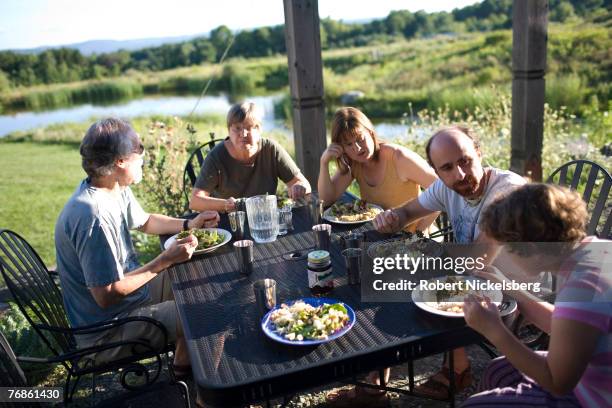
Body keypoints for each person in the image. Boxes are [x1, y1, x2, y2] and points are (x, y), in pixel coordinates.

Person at [55, 118, 220, 378]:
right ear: (120, 161)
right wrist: (164, 260)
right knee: (207, 312)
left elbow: (145, 221)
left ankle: (182, 368)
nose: (144, 156)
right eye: (139, 150)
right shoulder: (92, 216)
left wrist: (191, 223)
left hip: (130, 301)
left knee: (198, 274)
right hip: (107, 333)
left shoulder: (112, 187)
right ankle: (210, 399)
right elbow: (106, 295)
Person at [372, 125, 526, 399]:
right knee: (388, 280)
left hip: (517, 293)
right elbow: (408, 211)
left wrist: (423, 258)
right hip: (478, 280)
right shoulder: (447, 188)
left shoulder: (508, 191)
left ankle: (452, 369)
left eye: (465, 161)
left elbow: (478, 258)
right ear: (438, 172)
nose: (460, 174)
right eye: (447, 168)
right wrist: (390, 218)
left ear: (479, 153)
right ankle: (381, 374)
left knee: (405, 288)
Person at [462, 183, 611, 408]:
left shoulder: (582, 288)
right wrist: (508, 286)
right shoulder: (596, 251)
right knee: (497, 371)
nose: (506, 256)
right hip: (592, 374)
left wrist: (494, 330)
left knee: (474, 406)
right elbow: (571, 328)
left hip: (593, 398)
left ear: (531, 248)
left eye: (507, 248)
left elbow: (557, 382)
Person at [318, 107, 438, 233]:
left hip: (414, 239)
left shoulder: (399, 158)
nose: (357, 148)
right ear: (342, 147)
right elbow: (326, 200)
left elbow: (442, 190)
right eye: (349, 144)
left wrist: (419, 233)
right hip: (379, 236)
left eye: (360, 139)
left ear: (370, 132)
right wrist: (324, 162)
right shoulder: (354, 163)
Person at [189, 102, 311, 213]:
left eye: (249, 127)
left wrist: (299, 187)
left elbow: (304, 184)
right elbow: (195, 202)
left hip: (266, 217)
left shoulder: (271, 149)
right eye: (237, 128)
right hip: (230, 221)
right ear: (229, 131)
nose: (243, 134)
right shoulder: (216, 156)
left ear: (259, 129)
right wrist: (226, 205)